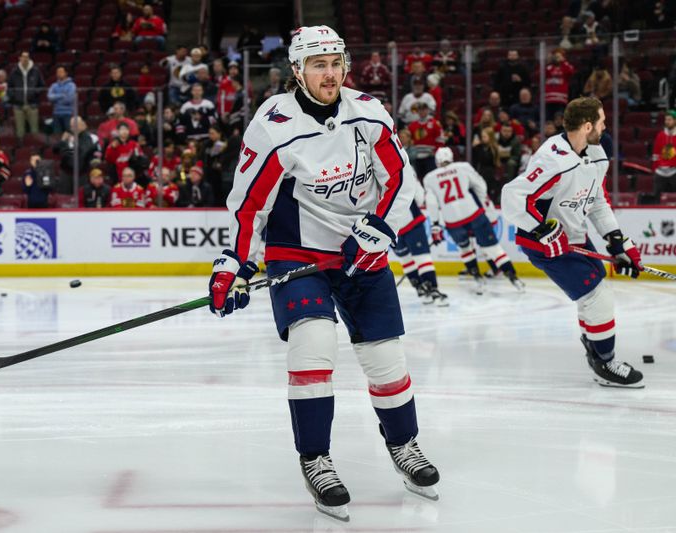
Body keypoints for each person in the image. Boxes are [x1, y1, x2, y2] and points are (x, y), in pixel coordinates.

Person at [207, 25, 439, 522]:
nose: (330, 73)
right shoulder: (273, 125)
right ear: (297, 71)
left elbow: (400, 179)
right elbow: (250, 207)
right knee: (313, 347)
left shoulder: (368, 113)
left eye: (336, 63)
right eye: (318, 65)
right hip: (298, 254)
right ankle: (315, 458)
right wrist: (237, 262)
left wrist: (377, 231)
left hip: (362, 249)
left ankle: (405, 445)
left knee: (387, 359)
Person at [501, 97, 644, 388]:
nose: (606, 126)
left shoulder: (596, 152)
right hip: (546, 244)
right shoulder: (553, 160)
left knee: (593, 294)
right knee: (597, 297)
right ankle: (605, 362)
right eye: (602, 121)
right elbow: (512, 197)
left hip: (574, 235)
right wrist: (542, 230)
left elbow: (597, 201)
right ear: (588, 125)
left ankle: (595, 346)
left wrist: (616, 240)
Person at [426, 147, 524, 293]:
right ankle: (514, 279)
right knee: (493, 248)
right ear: (452, 158)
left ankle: (478, 280)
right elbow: (480, 185)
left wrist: (435, 225)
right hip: (473, 213)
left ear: (437, 161)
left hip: (452, 221)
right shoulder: (463, 167)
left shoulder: (429, 178)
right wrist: (485, 204)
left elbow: (432, 203)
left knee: (465, 249)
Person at [391, 166, 448, 306]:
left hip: (389, 227)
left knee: (405, 259)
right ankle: (432, 290)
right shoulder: (403, 164)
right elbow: (420, 196)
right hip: (411, 221)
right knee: (422, 257)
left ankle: (421, 290)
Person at [8, 52, 46, 139]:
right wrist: (14, 97)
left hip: (32, 105)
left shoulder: (35, 71)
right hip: (18, 105)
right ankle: (21, 150)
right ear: (20, 58)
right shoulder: (14, 71)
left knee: (34, 130)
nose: (25, 59)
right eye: (23, 57)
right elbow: (9, 87)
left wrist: (34, 93)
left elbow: (42, 85)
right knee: (20, 131)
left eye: (27, 57)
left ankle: (35, 149)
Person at [652, 109, 676, 199]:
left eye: (669, 120)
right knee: (656, 198)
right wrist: (655, 168)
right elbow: (655, 153)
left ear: (675, 121)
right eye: (666, 120)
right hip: (660, 172)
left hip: (674, 171)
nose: (667, 122)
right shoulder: (660, 135)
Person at [47, 65, 77, 134]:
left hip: (68, 113)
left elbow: (69, 99)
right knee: (57, 134)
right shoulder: (54, 85)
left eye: (61, 72)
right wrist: (62, 95)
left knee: (69, 133)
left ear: (66, 73)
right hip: (56, 113)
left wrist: (56, 99)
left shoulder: (71, 85)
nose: (58, 74)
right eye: (57, 72)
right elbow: (50, 97)